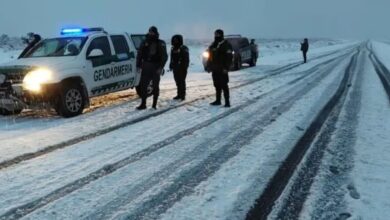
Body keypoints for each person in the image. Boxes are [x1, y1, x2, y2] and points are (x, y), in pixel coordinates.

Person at [136, 26, 168, 110]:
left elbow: (164, 56)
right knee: (143, 86)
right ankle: (143, 104)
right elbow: (139, 54)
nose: (151, 34)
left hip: (156, 66)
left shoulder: (160, 43)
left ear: (156, 33)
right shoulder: (144, 42)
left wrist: (161, 67)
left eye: (152, 32)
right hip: (146, 66)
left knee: (155, 86)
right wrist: (138, 65)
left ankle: (154, 104)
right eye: (150, 32)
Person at [206, 29, 233, 107]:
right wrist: (208, 66)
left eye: (218, 34)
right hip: (215, 69)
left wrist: (226, 68)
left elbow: (229, 57)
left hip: (222, 69)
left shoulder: (226, 44)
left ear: (221, 35)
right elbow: (210, 56)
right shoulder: (213, 44)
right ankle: (218, 100)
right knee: (217, 85)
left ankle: (227, 102)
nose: (216, 36)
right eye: (215, 34)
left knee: (224, 85)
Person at [169, 34, 190, 101]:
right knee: (177, 81)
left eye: (176, 40)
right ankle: (179, 94)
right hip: (175, 67)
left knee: (182, 81)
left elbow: (186, 59)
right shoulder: (173, 48)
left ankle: (182, 95)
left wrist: (185, 67)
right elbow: (172, 58)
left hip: (182, 67)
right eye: (174, 40)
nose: (175, 41)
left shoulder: (184, 48)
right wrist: (171, 65)